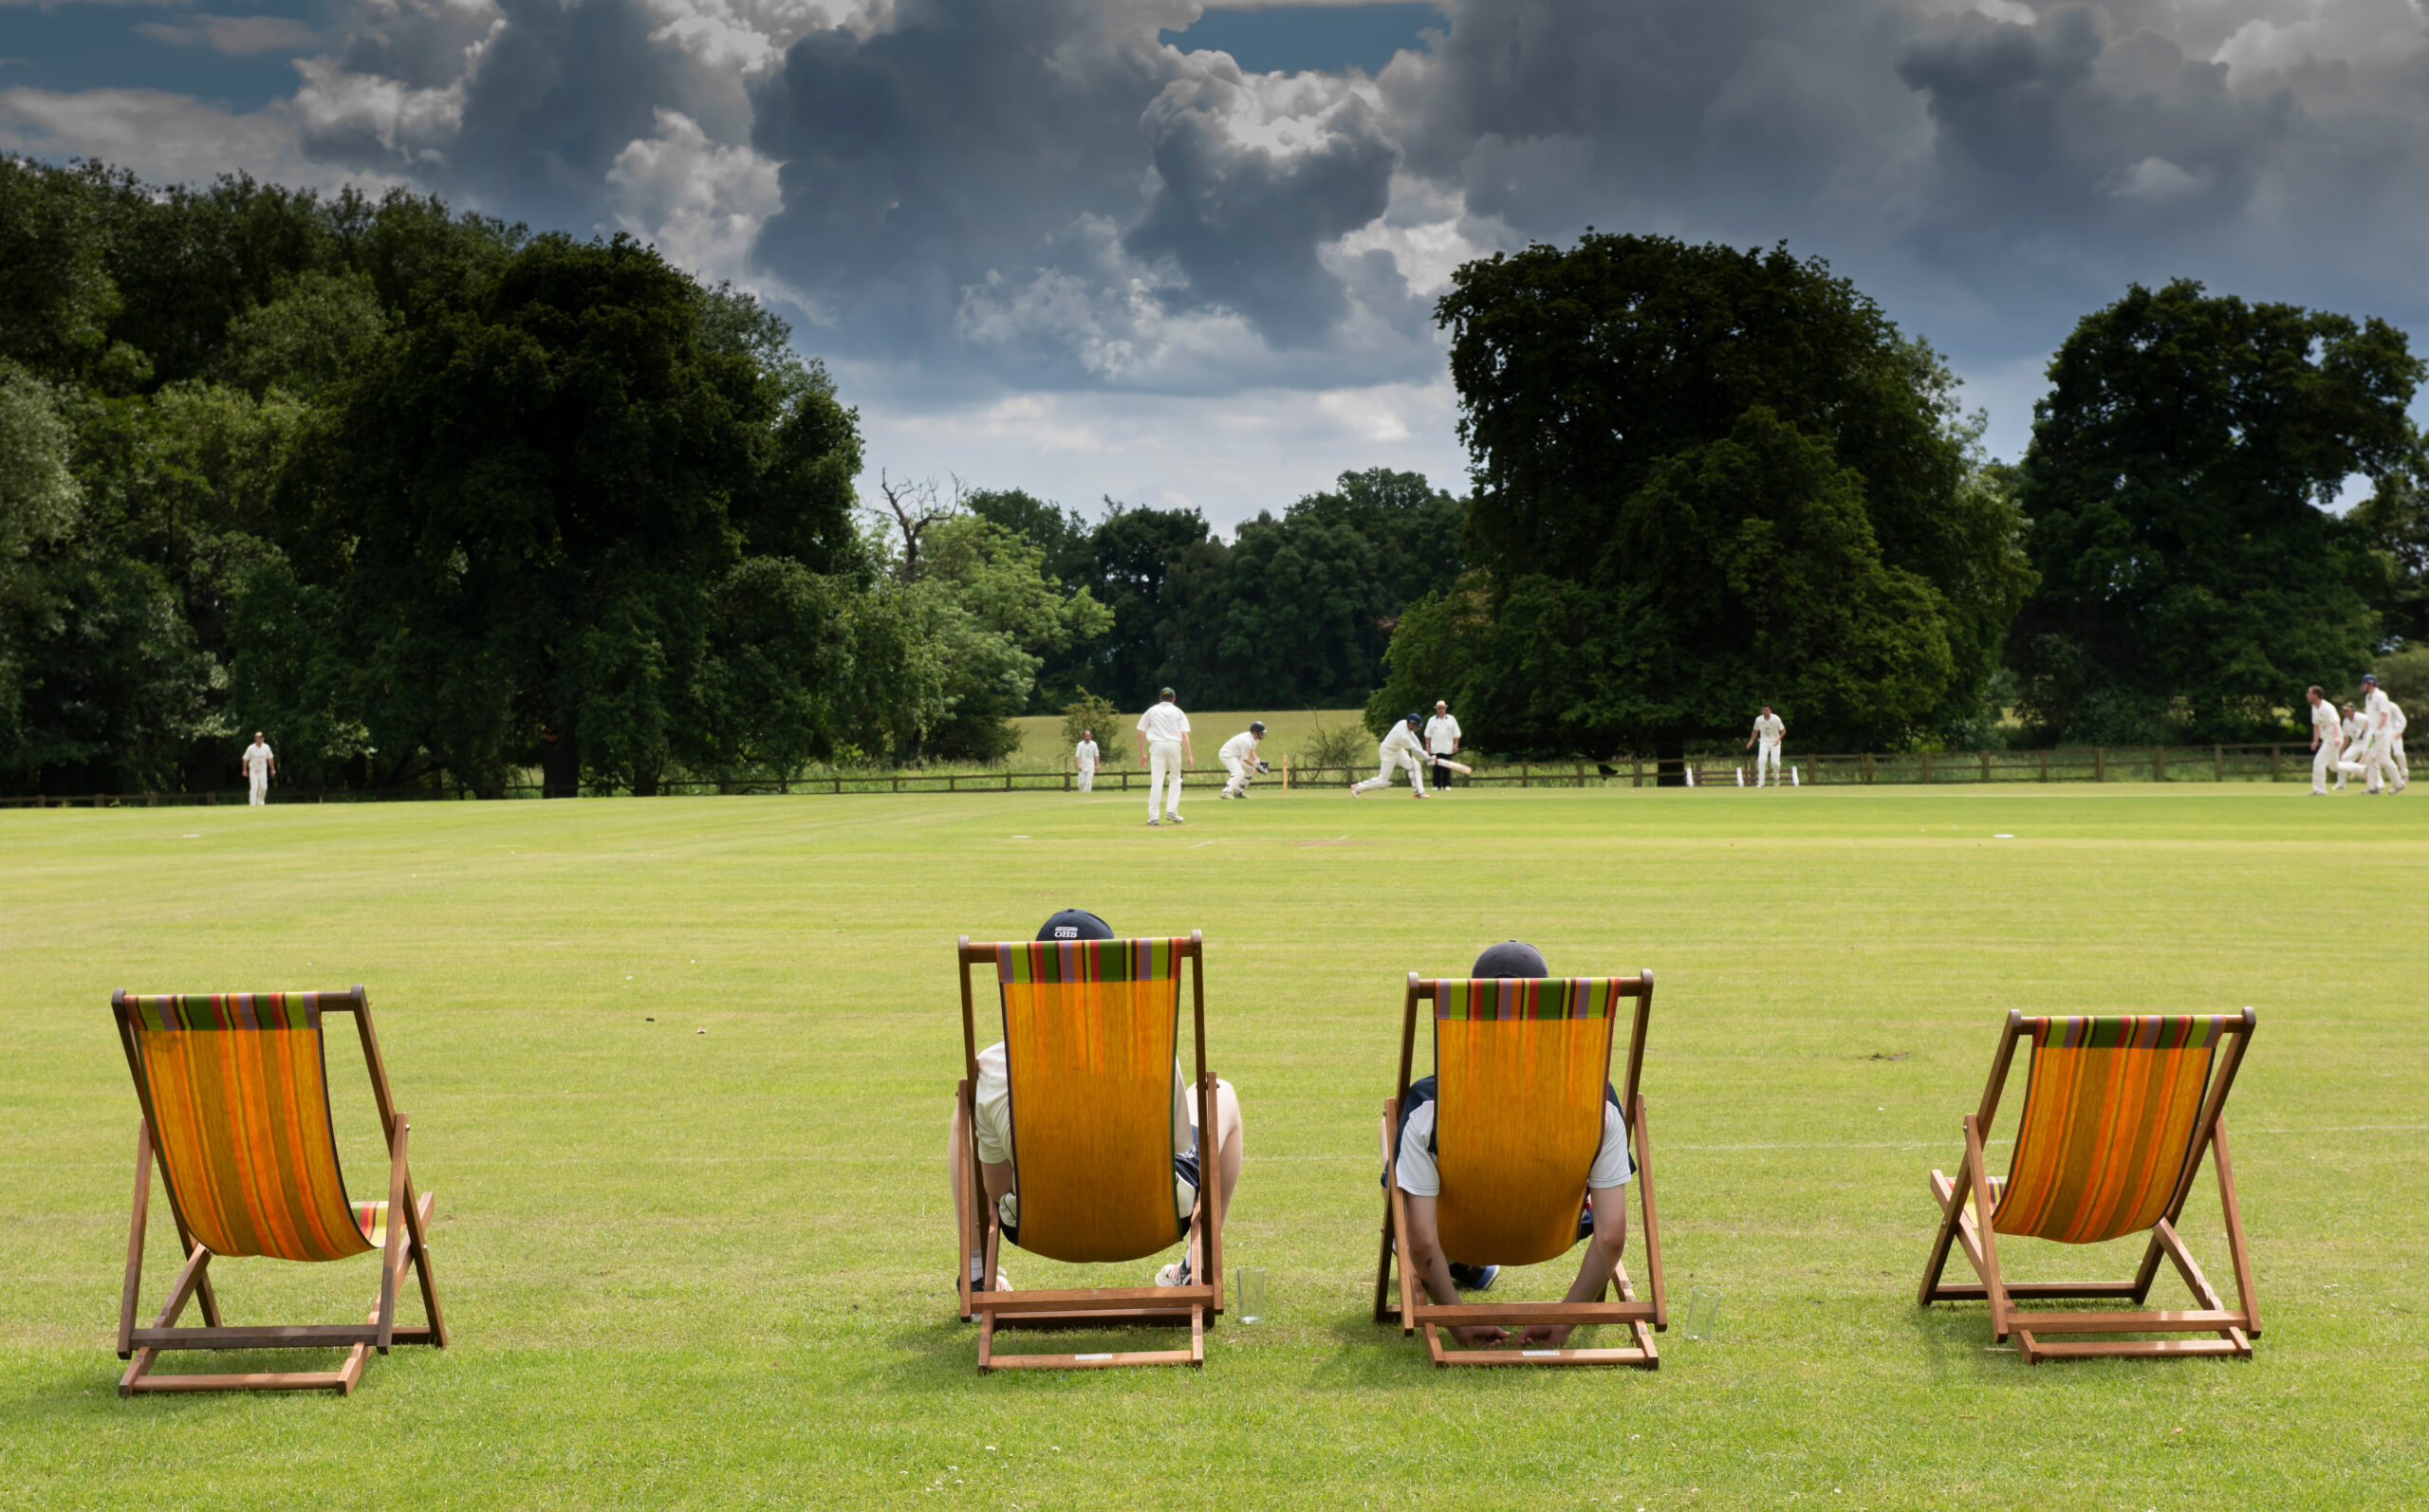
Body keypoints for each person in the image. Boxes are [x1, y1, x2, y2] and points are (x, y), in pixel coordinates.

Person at [949, 909, 1246, 1290]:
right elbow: (1176, 1146)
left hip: (1039, 1226)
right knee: (1222, 1096)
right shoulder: (1149, 1053)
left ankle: (976, 1275)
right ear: (1111, 982)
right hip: (1151, 1220)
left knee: (966, 1105)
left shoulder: (993, 1066)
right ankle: (1196, 1268)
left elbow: (996, 1186)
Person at [1386, 940, 1633, 1348]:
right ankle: (1468, 1266)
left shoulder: (1430, 1103)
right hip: (1550, 1233)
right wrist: (1566, 1319)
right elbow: (1610, 1237)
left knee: (1393, 1139)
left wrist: (1457, 1321)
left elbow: (1424, 1242)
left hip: (1456, 1229)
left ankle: (1462, 1262)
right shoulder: (1594, 1100)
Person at [1136, 688, 1192, 826]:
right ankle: (1172, 811)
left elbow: (1141, 733)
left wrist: (1142, 754)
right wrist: (1189, 755)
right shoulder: (1178, 711)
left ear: (1160, 698)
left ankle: (1154, 817)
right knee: (1175, 778)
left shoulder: (1152, 710)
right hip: (1173, 745)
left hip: (1157, 746)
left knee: (1157, 781)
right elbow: (1184, 734)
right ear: (1174, 699)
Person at [1351, 713, 1431, 799]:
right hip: (1388, 752)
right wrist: (1427, 757)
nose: (1417, 728)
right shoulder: (1402, 735)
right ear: (1411, 724)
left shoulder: (1404, 722)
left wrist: (1424, 753)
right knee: (1382, 782)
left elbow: (1414, 738)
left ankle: (1419, 793)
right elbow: (1414, 749)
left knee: (1415, 766)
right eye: (1416, 726)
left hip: (1398, 750)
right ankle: (1357, 788)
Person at [2307, 685, 2342, 795]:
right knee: (2334, 767)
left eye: (2309, 693)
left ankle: (2320, 790)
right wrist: (2315, 741)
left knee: (2318, 762)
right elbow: (2316, 726)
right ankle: (2361, 769)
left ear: (2315, 695)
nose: (2307, 695)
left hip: (2334, 738)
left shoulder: (2327, 707)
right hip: (2327, 738)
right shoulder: (2314, 708)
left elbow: (2335, 723)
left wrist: (2337, 737)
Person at [1217, 722, 1268, 799]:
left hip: (1236, 756)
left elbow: (1251, 751)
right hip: (1227, 754)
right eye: (1261, 733)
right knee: (1239, 772)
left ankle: (1238, 792)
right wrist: (1256, 765)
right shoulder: (1247, 741)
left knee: (1250, 770)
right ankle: (1226, 792)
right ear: (1255, 732)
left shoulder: (1255, 739)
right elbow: (1245, 759)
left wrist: (1258, 762)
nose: (1262, 735)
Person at [1423, 701, 1462, 790]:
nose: (1441, 710)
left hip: (1447, 748)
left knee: (1447, 767)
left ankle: (1447, 785)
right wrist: (1427, 746)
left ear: (1445, 709)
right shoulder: (1432, 720)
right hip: (1435, 748)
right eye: (1439, 708)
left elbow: (1456, 734)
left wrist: (1455, 745)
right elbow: (1427, 734)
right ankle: (1436, 785)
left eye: (1442, 708)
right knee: (1436, 768)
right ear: (1436, 709)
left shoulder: (1451, 719)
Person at [1746, 705, 1785, 786]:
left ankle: (1776, 779)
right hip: (1764, 741)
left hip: (1775, 742)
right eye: (1763, 710)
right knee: (1761, 761)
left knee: (1775, 763)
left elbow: (1783, 731)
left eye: (1766, 710)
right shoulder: (1759, 720)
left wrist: (1778, 739)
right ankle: (1761, 782)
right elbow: (1755, 731)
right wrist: (1751, 741)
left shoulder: (1776, 718)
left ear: (1770, 710)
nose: (1765, 712)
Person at [240, 731, 277, 806]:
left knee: (264, 788)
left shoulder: (266, 747)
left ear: (263, 739)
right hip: (254, 770)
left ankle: (260, 802)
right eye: (257, 738)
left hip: (262, 770)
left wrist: (272, 769)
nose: (259, 740)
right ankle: (252, 804)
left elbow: (270, 758)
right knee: (254, 787)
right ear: (255, 739)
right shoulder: (251, 748)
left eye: (260, 738)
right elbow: (245, 759)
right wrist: (244, 770)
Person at [2386, 695, 2409, 790]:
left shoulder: (2392, 706)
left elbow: (2402, 720)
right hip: (2384, 733)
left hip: (2395, 731)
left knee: (2398, 753)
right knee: (2382, 756)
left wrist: (2399, 731)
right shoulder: (2376, 708)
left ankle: (2404, 774)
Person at [1075, 728, 1100, 793]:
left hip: (1091, 766)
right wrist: (1078, 765)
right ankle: (1081, 794)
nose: (1088, 737)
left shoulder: (1094, 744)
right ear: (1084, 736)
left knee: (1088, 783)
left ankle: (1087, 796)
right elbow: (1077, 755)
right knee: (1082, 783)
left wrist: (1097, 765)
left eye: (1089, 736)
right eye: (1086, 736)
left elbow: (1096, 755)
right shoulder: (1080, 744)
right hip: (1082, 766)